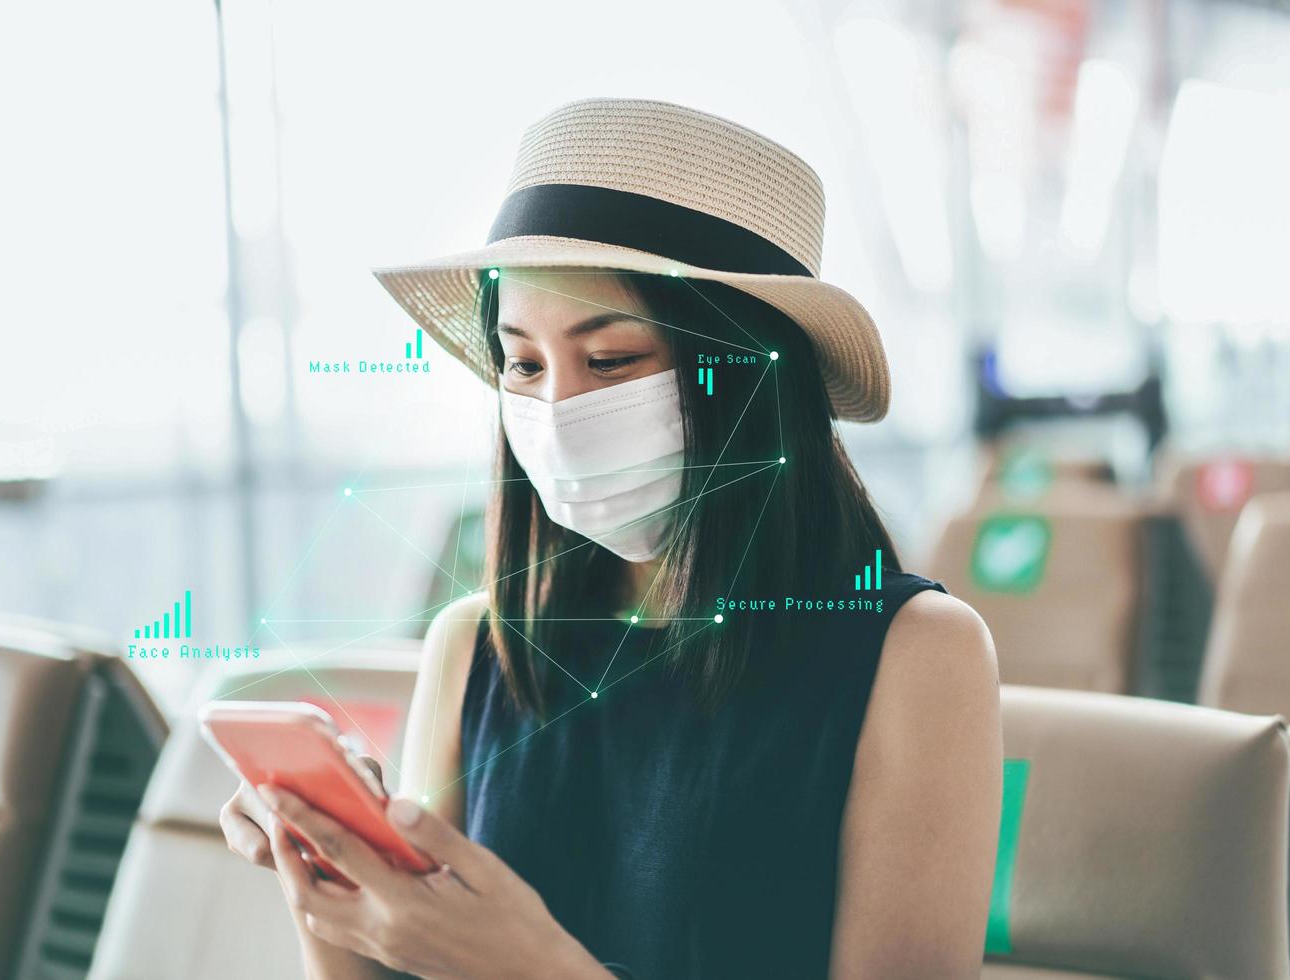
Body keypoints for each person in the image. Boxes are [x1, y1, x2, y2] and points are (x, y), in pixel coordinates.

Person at [220, 97, 1002, 979]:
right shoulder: (476, 645)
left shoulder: (916, 657)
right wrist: (326, 869)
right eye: (522, 363)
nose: (556, 410)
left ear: (745, 376)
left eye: (613, 360)